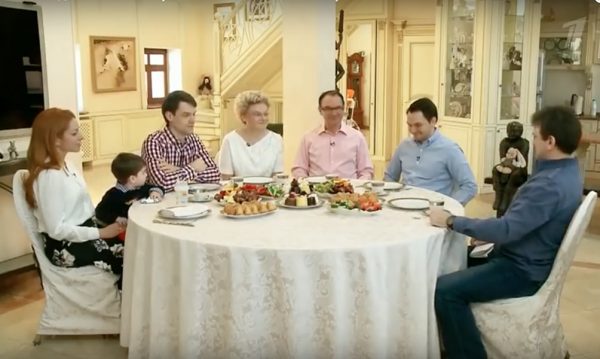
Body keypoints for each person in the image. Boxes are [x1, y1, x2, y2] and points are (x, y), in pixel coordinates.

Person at [429, 106, 583, 359]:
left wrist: (451, 220)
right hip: (525, 254)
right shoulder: (568, 172)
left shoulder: (548, 185)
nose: (531, 141)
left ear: (550, 141)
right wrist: (488, 234)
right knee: (449, 256)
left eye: (535, 136)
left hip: (520, 269)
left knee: (445, 291)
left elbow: (507, 229)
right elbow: (520, 224)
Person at [23, 108, 125, 285]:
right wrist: (100, 232)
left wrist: (107, 222)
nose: (82, 137)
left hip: (82, 233)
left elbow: (83, 208)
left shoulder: (67, 164)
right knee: (130, 256)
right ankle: (128, 306)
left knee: (135, 245)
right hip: (65, 246)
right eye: (74, 133)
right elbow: (56, 230)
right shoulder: (49, 176)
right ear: (55, 139)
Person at [384, 97, 477, 205]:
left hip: (433, 211)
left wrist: (448, 207)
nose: (413, 130)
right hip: (402, 206)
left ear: (433, 121)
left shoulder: (450, 149)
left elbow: (469, 186)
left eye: (418, 125)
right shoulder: (404, 146)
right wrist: (393, 197)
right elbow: (389, 176)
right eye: (409, 125)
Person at [142, 90, 220, 191]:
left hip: (191, 202)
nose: (193, 120)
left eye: (194, 114)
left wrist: (177, 170)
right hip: (161, 204)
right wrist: (192, 167)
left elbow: (215, 175)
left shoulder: (194, 139)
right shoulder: (154, 142)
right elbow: (161, 184)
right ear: (169, 116)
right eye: (186, 115)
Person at [291, 90, 373, 179]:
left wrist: (357, 188)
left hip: (349, 191)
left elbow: (366, 171)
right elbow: (299, 169)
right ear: (320, 110)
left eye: (338, 108)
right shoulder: (308, 138)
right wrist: (306, 186)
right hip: (316, 191)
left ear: (343, 108)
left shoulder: (357, 137)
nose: (334, 113)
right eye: (328, 109)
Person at [95, 152, 164, 240]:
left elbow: (157, 187)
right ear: (133, 179)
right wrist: (116, 218)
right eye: (143, 172)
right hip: (117, 233)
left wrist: (156, 192)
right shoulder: (113, 195)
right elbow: (100, 212)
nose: (146, 175)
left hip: (136, 226)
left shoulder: (141, 187)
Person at [218, 90, 283, 179]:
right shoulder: (230, 140)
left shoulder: (276, 139)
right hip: (237, 191)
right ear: (243, 116)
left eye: (266, 114)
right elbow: (226, 179)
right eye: (257, 114)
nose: (263, 118)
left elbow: (277, 178)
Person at [492, 121, 529, 216]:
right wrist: (504, 167)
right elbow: (503, 157)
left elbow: (521, 161)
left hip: (519, 168)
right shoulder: (504, 142)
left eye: (515, 131)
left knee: (514, 174)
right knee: (495, 169)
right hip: (506, 165)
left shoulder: (524, 143)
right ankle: (498, 195)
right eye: (511, 130)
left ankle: (505, 199)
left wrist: (511, 167)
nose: (512, 133)